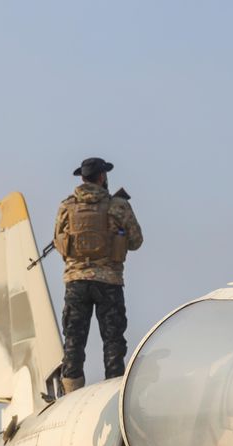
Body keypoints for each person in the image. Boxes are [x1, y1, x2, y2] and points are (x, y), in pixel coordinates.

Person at [53, 157, 144, 394]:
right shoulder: (118, 206)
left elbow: (58, 241)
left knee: (73, 341)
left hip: (76, 282)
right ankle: (114, 392)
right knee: (113, 341)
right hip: (109, 282)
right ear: (102, 177)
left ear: (82, 178)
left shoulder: (66, 206)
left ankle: (71, 394)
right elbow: (136, 241)